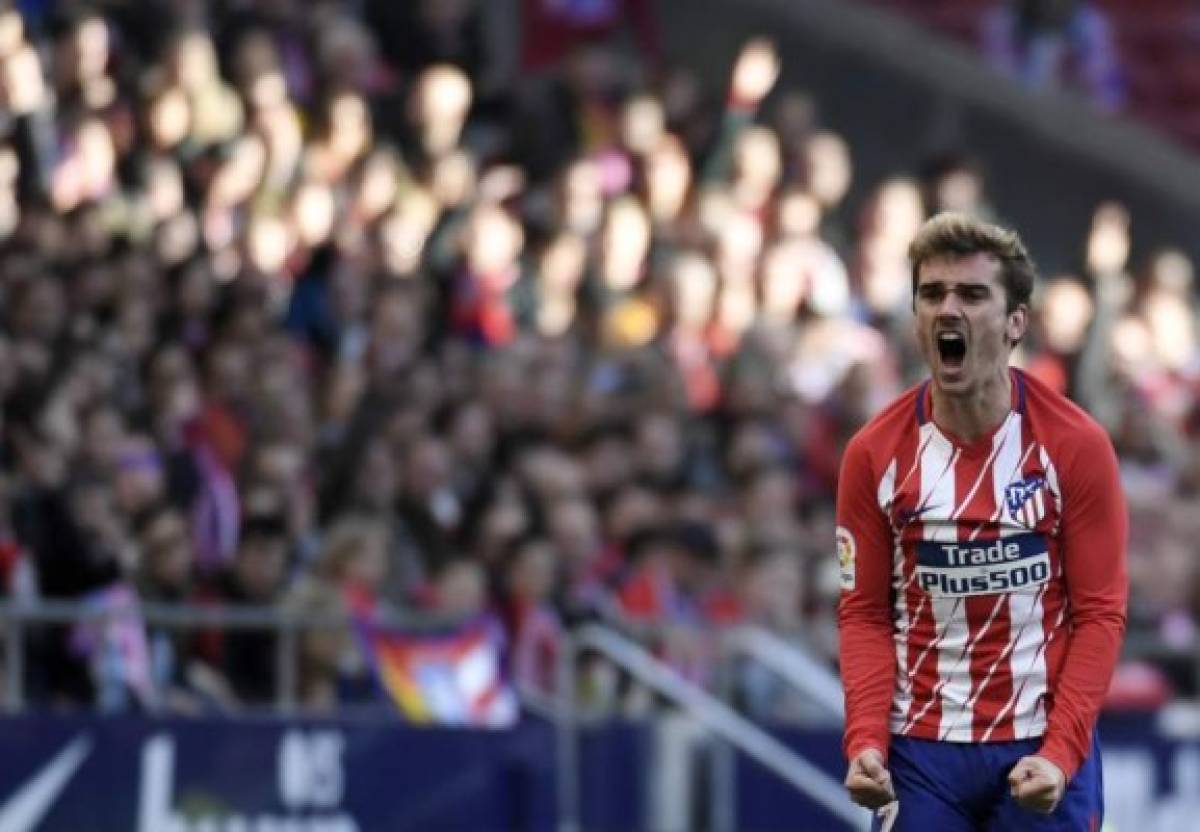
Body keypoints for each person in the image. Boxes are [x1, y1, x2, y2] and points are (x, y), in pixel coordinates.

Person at [835, 212, 1127, 830]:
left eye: (971, 294)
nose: (948, 308)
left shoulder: (1075, 445)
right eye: (931, 293)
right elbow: (863, 610)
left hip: (1038, 744)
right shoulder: (873, 454)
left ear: (1016, 322)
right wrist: (863, 738)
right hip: (920, 754)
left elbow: (1100, 612)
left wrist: (1061, 752)